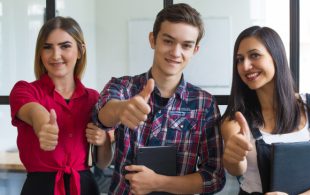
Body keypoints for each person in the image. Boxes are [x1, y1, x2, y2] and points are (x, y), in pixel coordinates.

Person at [92, 3, 225, 195]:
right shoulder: (123, 87)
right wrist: (121, 110)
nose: (176, 52)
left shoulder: (204, 104)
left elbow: (214, 178)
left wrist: (158, 183)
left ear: (195, 50)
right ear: (153, 40)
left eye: (186, 45)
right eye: (168, 41)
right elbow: (101, 115)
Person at [221, 26, 310, 195]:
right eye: (239, 59)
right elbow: (236, 169)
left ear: (276, 56)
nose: (245, 66)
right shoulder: (234, 120)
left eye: (254, 55)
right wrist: (233, 157)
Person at [9, 16, 107, 195]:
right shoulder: (24, 89)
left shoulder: (93, 98)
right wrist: (43, 125)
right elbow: (33, 111)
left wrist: (104, 140)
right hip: (40, 188)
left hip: (84, 187)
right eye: (47, 47)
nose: (55, 55)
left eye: (65, 46)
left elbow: (102, 162)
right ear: (40, 53)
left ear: (80, 51)